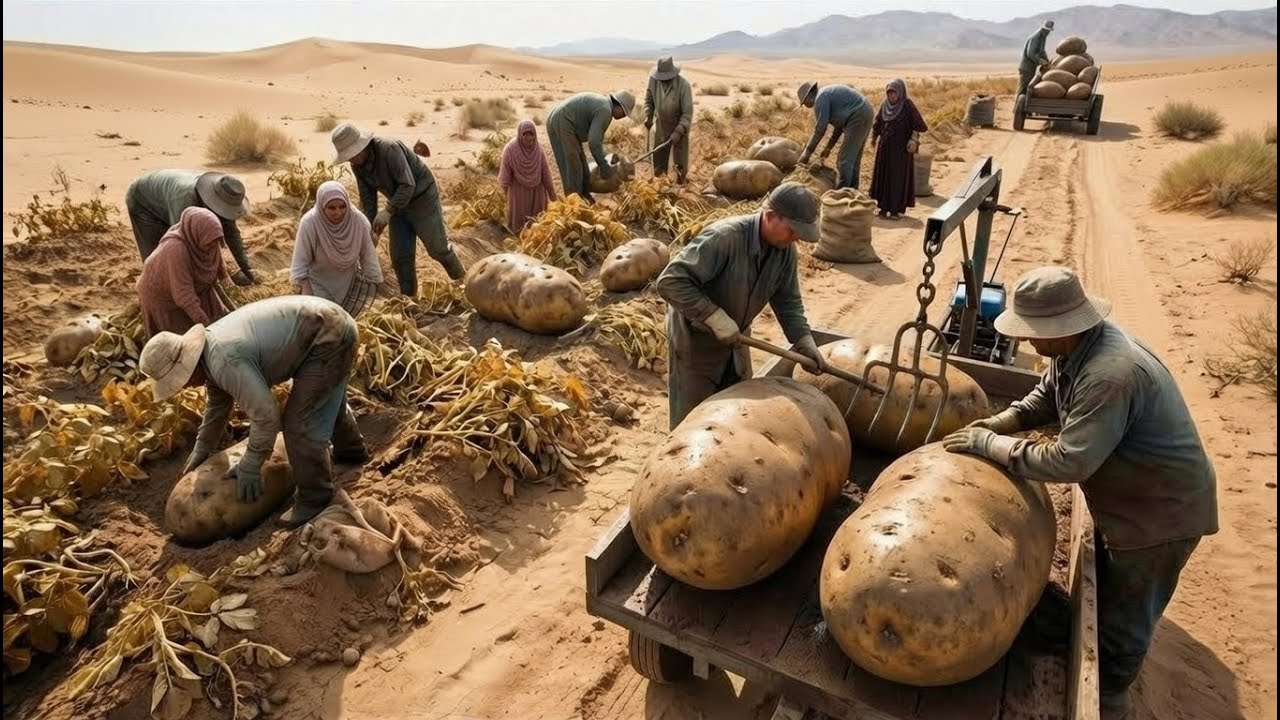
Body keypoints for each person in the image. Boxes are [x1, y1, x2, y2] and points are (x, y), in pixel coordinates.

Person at [940, 266, 1218, 720]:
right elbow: (1046, 396)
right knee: (1109, 593)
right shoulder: (1077, 350)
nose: (1028, 342)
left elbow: (1070, 462)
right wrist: (1004, 421)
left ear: (1060, 327)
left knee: (1126, 622)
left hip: (1160, 514)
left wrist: (993, 446)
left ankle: (1110, 697)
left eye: (1033, 333)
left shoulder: (1110, 374)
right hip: (1132, 498)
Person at [138, 295, 370, 527]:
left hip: (326, 338)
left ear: (186, 367)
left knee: (299, 422)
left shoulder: (224, 359)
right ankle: (351, 452)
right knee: (325, 400)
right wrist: (202, 449)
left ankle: (315, 498)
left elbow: (266, 415)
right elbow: (218, 407)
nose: (184, 386)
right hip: (329, 325)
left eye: (180, 382)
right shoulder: (210, 354)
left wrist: (250, 465)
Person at [656, 181, 828, 429]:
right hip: (696, 343)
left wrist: (803, 340)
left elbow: (788, 301)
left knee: (735, 415)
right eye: (792, 231)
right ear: (770, 216)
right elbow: (671, 281)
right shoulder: (724, 238)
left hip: (735, 340)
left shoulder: (785, 251)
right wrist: (713, 316)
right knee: (692, 421)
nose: (796, 239)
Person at [330, 122, 466, 295]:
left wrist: (388, 211)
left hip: (421, 197)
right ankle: (409, 299)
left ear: (362, 145)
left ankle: (465, 285)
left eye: (353, 154)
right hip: (397, 204)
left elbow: (408, 184)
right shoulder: (357, 166)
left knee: (438, 249)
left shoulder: (389, 149)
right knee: (400, 257)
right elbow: (368, 200)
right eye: (348, 157)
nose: (351, 159)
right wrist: (369, 229)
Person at [125, 170, 256, 286]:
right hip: (143, 202)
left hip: (166, 196)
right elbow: (182, 241)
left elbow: (231, 234)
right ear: (211, 201)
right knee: (158, 258)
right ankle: (152, 293)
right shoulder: (185, 200)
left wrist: (246, 268)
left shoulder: (223, 195)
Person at [290, 181, 384, 317]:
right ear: (322, 206)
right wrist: (308, 296)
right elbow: (300, 264)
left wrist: (373, 288)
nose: (338, 212)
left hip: (350, 287)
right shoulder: (310, 223)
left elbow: (368, 258)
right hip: (318, 285)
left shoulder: (359, 221)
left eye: (342, 207)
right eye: (331, 208)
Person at [136, 207, 232, 338]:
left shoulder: (208, 241)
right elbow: (184, 295)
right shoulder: (176, 249)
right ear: (196, 235)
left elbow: (220, 271)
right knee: (182, 341)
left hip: (193, 286)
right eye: (209, 243)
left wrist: (232, 310)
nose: (213, 247)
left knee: (222, 319)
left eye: (216, 242)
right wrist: (206, 325)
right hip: (162, 297)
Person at [545, 90, 636, 202]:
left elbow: (596, 141)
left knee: (580, 162)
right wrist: (604, 166)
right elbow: (594, 143)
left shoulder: (604, 106)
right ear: (619, 105)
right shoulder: (605, 110)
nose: (623, 117)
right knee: (573, 164)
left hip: (559, 119)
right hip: (563, 121)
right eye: (624, 113)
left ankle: (583, 195)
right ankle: (574, 202)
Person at [869, 79, 929, 220]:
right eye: (889, 93)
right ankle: (883, 208)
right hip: (884, 150)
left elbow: (920, 125)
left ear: (900, 93)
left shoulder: (907, 105)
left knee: (897, 179)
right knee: (883, 177)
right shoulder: (885, 106)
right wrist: (873, 137)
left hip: (901, 151)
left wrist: (913, 139)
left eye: (894, 93)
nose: (891, 96)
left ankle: (895, 210)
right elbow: (878, 123)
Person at [498, 119, 558, 232]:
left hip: (537, 191)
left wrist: (553, 197)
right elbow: (504, 177)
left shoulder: (538, 150)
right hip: (518, 193)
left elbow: (546, 174)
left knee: (537, 227)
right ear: (520, 134)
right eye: (525, 134)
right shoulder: (510, 150)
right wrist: (501, 199)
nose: (528, 137)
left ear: (535, 135)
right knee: (519, 228)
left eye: (531, 134)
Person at [642, 57, 694, 185]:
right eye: (662, 79)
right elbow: (648, 100)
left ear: (673, 75)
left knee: (680, 164)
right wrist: (648, 115)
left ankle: (680, 185)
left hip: (679, 127)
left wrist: (678, 131)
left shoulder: (684, 85)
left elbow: (687, 114)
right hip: (661, 124)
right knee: (659, 160)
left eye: (667, 78)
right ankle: (660, 184)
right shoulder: (654, 81)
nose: (664, 81)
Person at [1019, 20, 1055, 97]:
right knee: (1023, 90)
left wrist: (1047, 62)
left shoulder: (1043, 37)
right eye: (1047, 31)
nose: (1048, 33)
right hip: (1026, 68)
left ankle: (1025, 107)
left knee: (1028, 88)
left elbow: (1042, 51)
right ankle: (1018, 108)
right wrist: (1041, 61)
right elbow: (1030, 53)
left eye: (1049, 31)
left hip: (1031, 67)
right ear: (1043, 29)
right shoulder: (1035, 37)